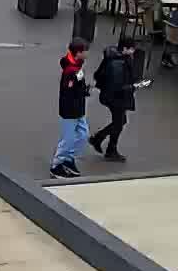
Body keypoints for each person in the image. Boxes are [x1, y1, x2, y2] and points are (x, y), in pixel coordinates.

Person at [90, 37, 137, 163]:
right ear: (125, 48)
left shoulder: (117, 58)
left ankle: (103, 142)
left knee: (120, 122)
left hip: (111, 96)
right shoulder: (118, 63)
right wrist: (133, 87)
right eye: (131, 49)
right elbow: (118, 86)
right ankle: (106, 146)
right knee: (119, 122)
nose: (133, 51)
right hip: (115, 98)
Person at [51, 39, 90, 178]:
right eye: (85, 51)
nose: (87, 53)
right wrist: (81, 90)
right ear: (78, 53)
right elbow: (69, 91)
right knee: (68, 138)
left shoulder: (78, 65)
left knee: (84, 134)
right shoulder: (70, 71)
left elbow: (78, 84)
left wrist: (84, 89)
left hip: (78, 109)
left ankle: (68, 158)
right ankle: (57, 165)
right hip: (70, 111)